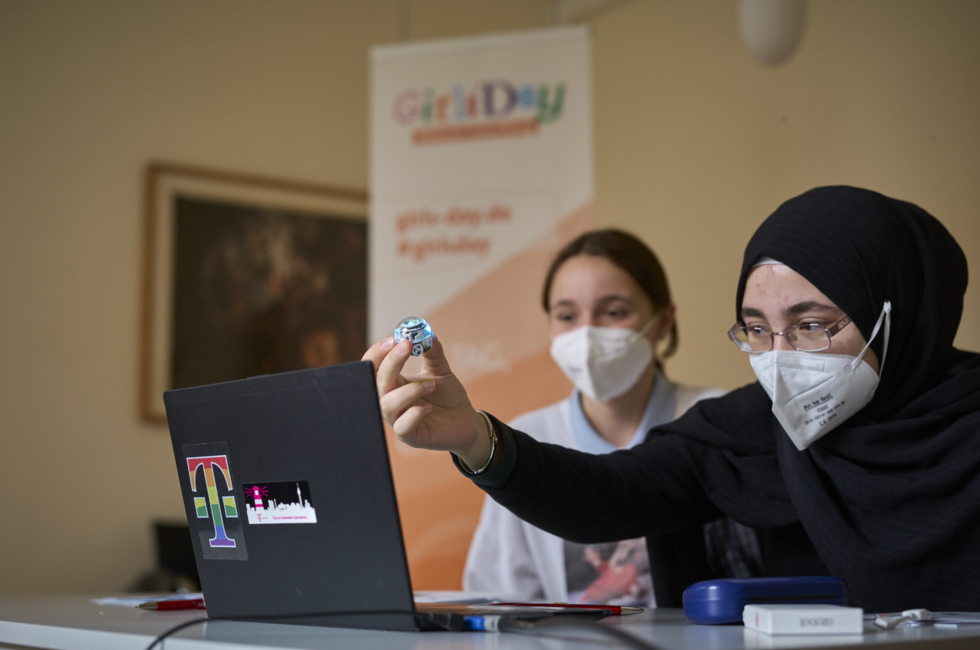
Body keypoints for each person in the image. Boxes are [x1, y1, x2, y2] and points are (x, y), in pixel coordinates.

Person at [365, 186, 980, 612]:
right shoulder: (750, 429)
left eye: (813, 323)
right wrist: (475, 437)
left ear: (897, 315)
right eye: (756, 328)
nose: (780, 354)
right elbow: (607, 495)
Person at [462, 229, 760, 606]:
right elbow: (498, 598)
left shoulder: (716, 422)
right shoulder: (523, 441)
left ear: (664, 321)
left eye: (614, 312)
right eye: (567, 315)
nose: (587, 333)